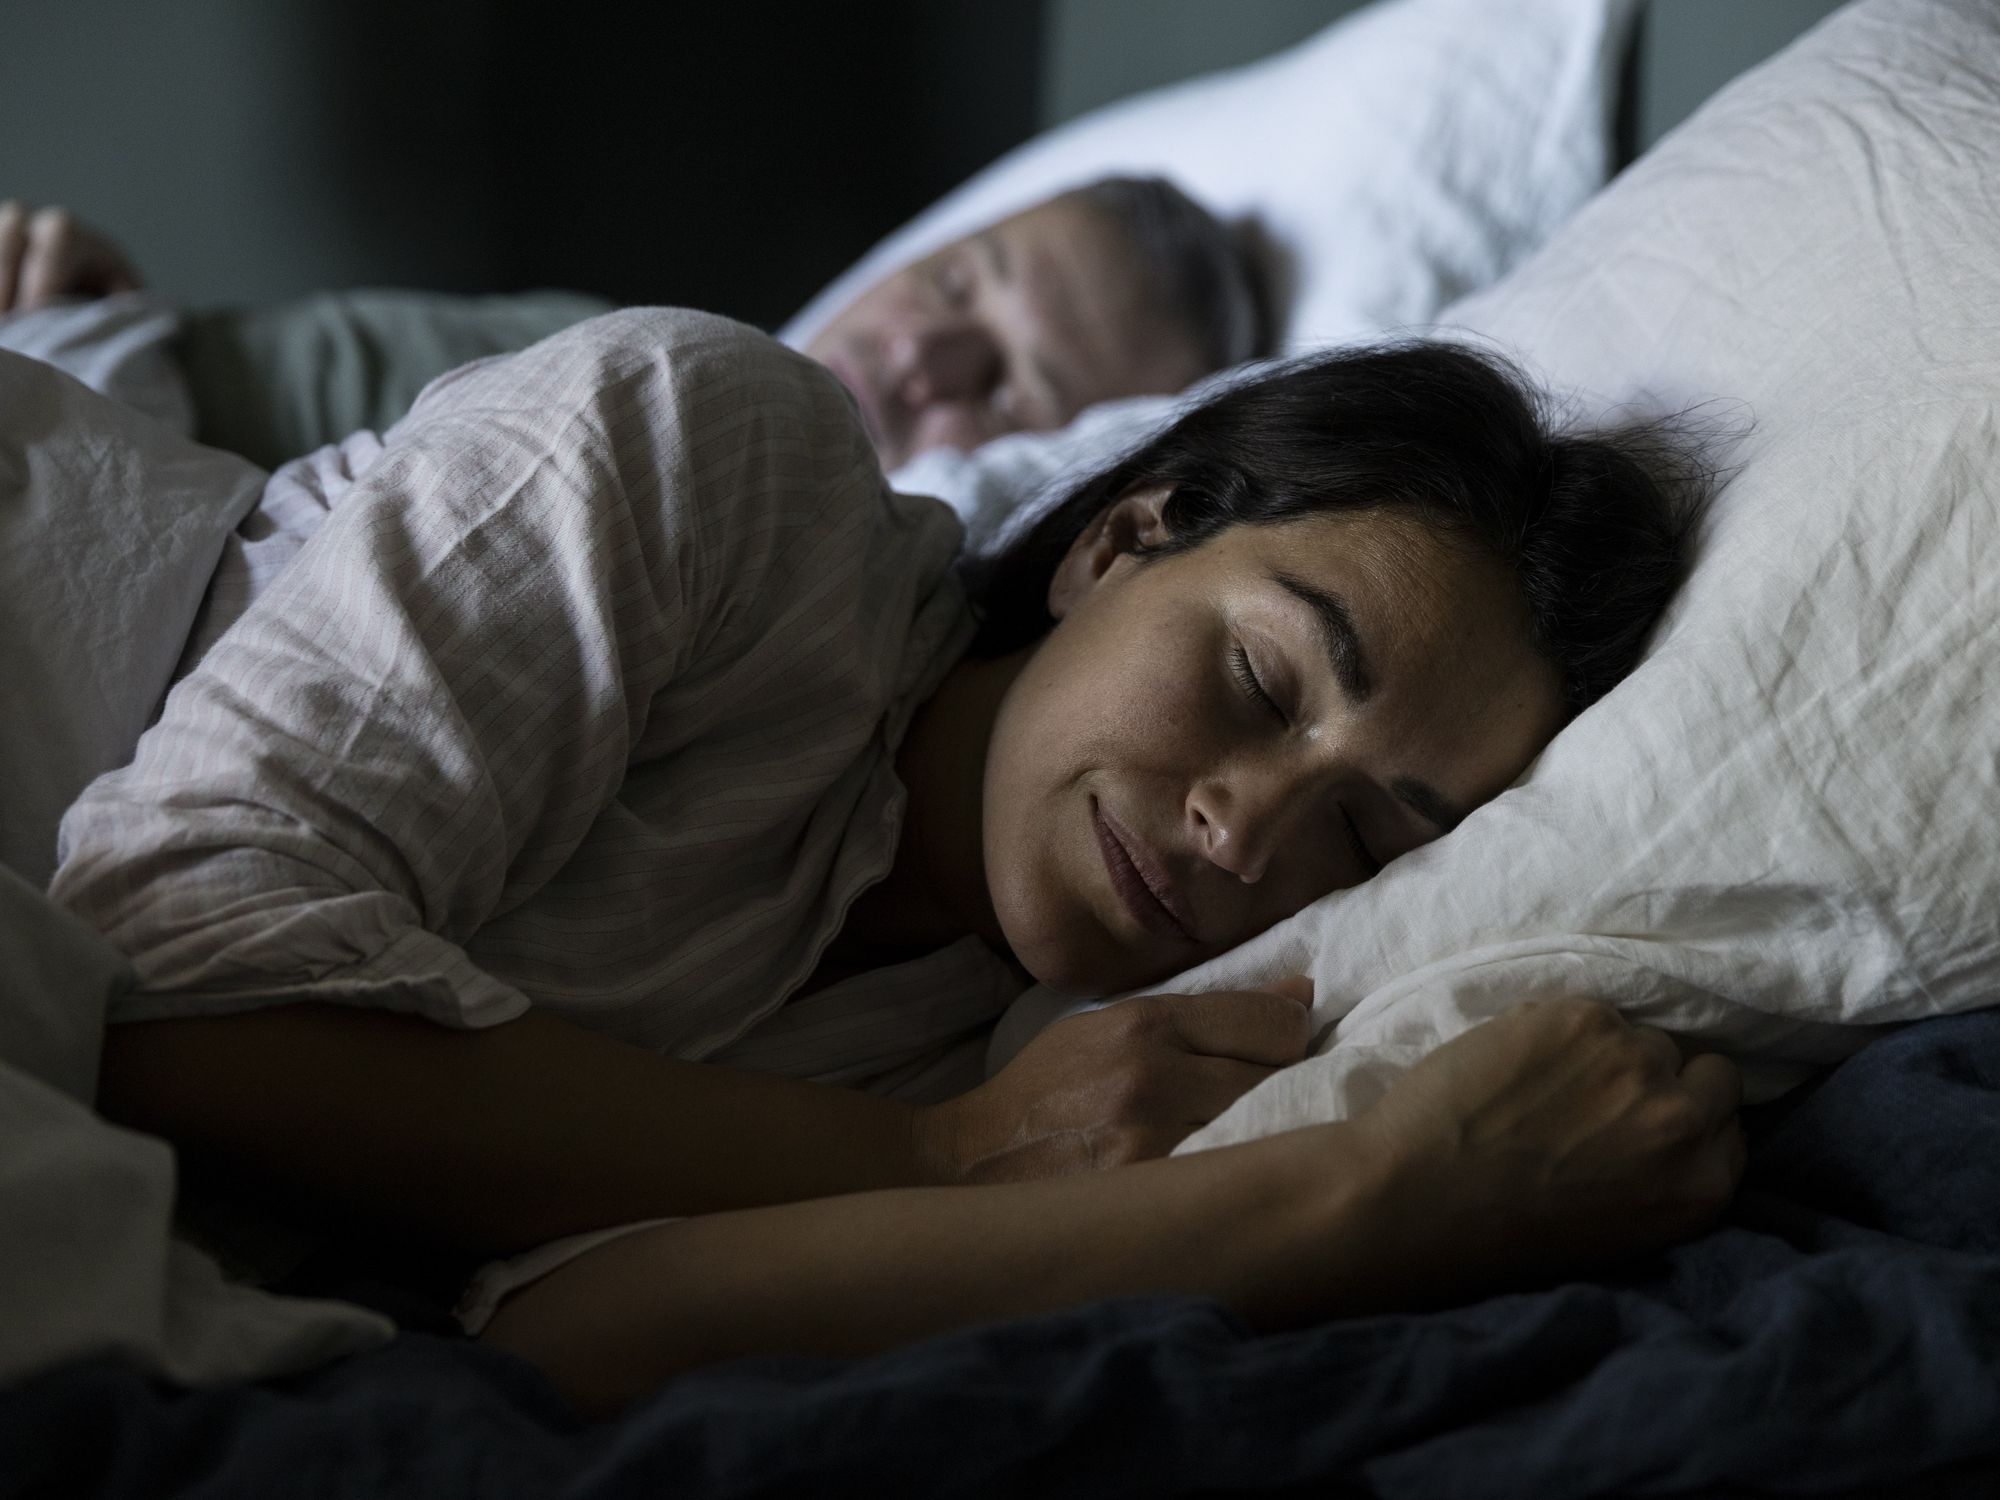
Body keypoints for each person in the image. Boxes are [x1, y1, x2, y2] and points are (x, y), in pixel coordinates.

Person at [51, 308, 1738, 1418]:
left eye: (1368, 831)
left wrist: (1325, 1197)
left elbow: (555, 1347)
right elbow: (181, 979)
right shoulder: (723, 464)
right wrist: (941, 1161)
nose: (1248, 829)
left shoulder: (1049, 1041)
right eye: (1257, 682)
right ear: (1120, 538)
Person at [0, 177, 1268, 472]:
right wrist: (84, 315)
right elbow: (196, 385)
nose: (918, 356)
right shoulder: (582, 338)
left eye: (1003, 386)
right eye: (948, 285)